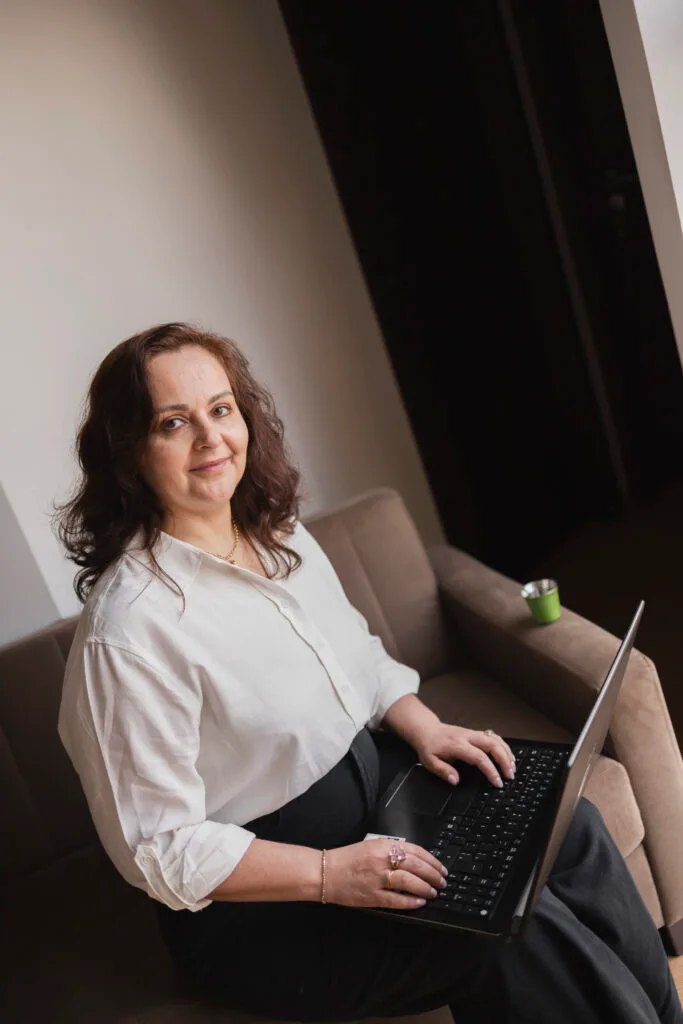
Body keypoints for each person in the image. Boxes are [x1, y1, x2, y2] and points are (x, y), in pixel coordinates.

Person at [57, 322, 681, 1024]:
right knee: (506, 930)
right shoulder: (128, 632)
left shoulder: (275, 533)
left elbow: (356, 654)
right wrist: (330, 874)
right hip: (265, 908)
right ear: (129, 452)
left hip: (379, 799)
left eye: (221, 408)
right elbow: (158, 848)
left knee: (570, 824)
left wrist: (425, 725)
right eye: (173, 422)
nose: (210, 438)